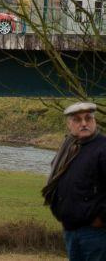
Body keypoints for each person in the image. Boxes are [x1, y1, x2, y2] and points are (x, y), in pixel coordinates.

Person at [43, 102, 106, 260]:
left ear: (94, 121)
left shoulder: (102, 148)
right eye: (77, 120)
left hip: (95, 232)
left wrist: (101, 220)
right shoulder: (70, 147)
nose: (84, 123)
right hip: (70, 229)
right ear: (69, 124)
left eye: (88, 118)